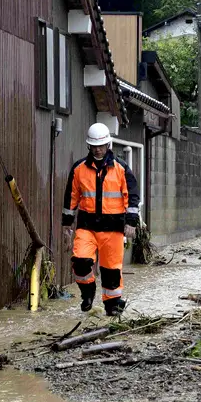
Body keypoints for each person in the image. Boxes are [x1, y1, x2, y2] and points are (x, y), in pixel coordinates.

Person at [62, 122, 140, 316]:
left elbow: (132, 196)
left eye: (101, 146)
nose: (98, 150)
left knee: (111, 270)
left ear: (108, 145)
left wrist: (131, 222)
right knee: (80, 261)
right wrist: (66, 224)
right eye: (94, 146)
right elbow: (71, 197)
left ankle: (112, 305)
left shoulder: (121, 168)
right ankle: (88, 293)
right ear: (89, 146)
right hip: (87, 226)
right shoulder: (79, 169)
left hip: (113, 228)